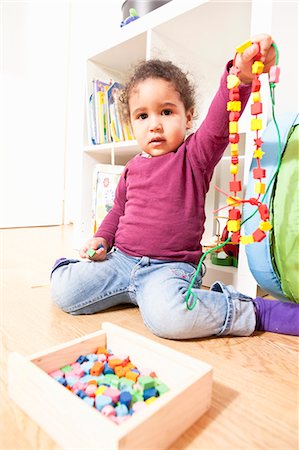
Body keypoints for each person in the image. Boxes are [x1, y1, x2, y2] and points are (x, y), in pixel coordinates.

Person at [51, 34, 299, 338]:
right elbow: (118, 210)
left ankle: (254, 311)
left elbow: (220, 120)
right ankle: (82, 273)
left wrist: (239, 76)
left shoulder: (195, 155)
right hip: (120, 260)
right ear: (132, 123)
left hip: (169, 269)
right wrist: (102, 238)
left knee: (173, 318)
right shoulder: (132, 168)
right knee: (64, 291)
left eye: (166, 112)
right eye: (142, 116)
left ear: (188, 117)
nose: (154, 124)